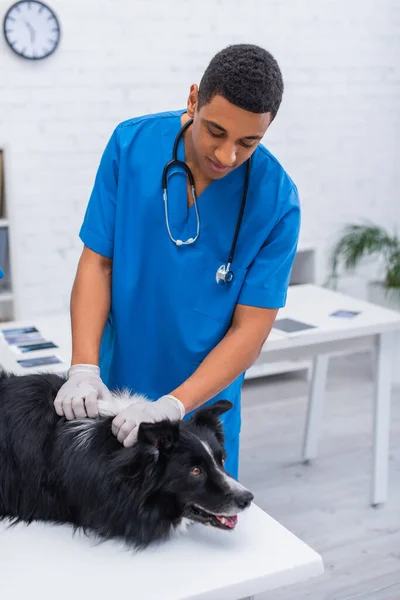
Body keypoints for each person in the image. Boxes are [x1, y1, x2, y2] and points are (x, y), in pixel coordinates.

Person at [54, 43, 301, 480]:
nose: (227, 156)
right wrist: (84, 367)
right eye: (216, 131)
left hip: (202, 408)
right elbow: (98, 264)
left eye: (248, 142)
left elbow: (251, 331)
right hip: (117, 387)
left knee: (199, 522)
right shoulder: (131, 146)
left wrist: (175, 404)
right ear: (193, 100)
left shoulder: (277, 198)